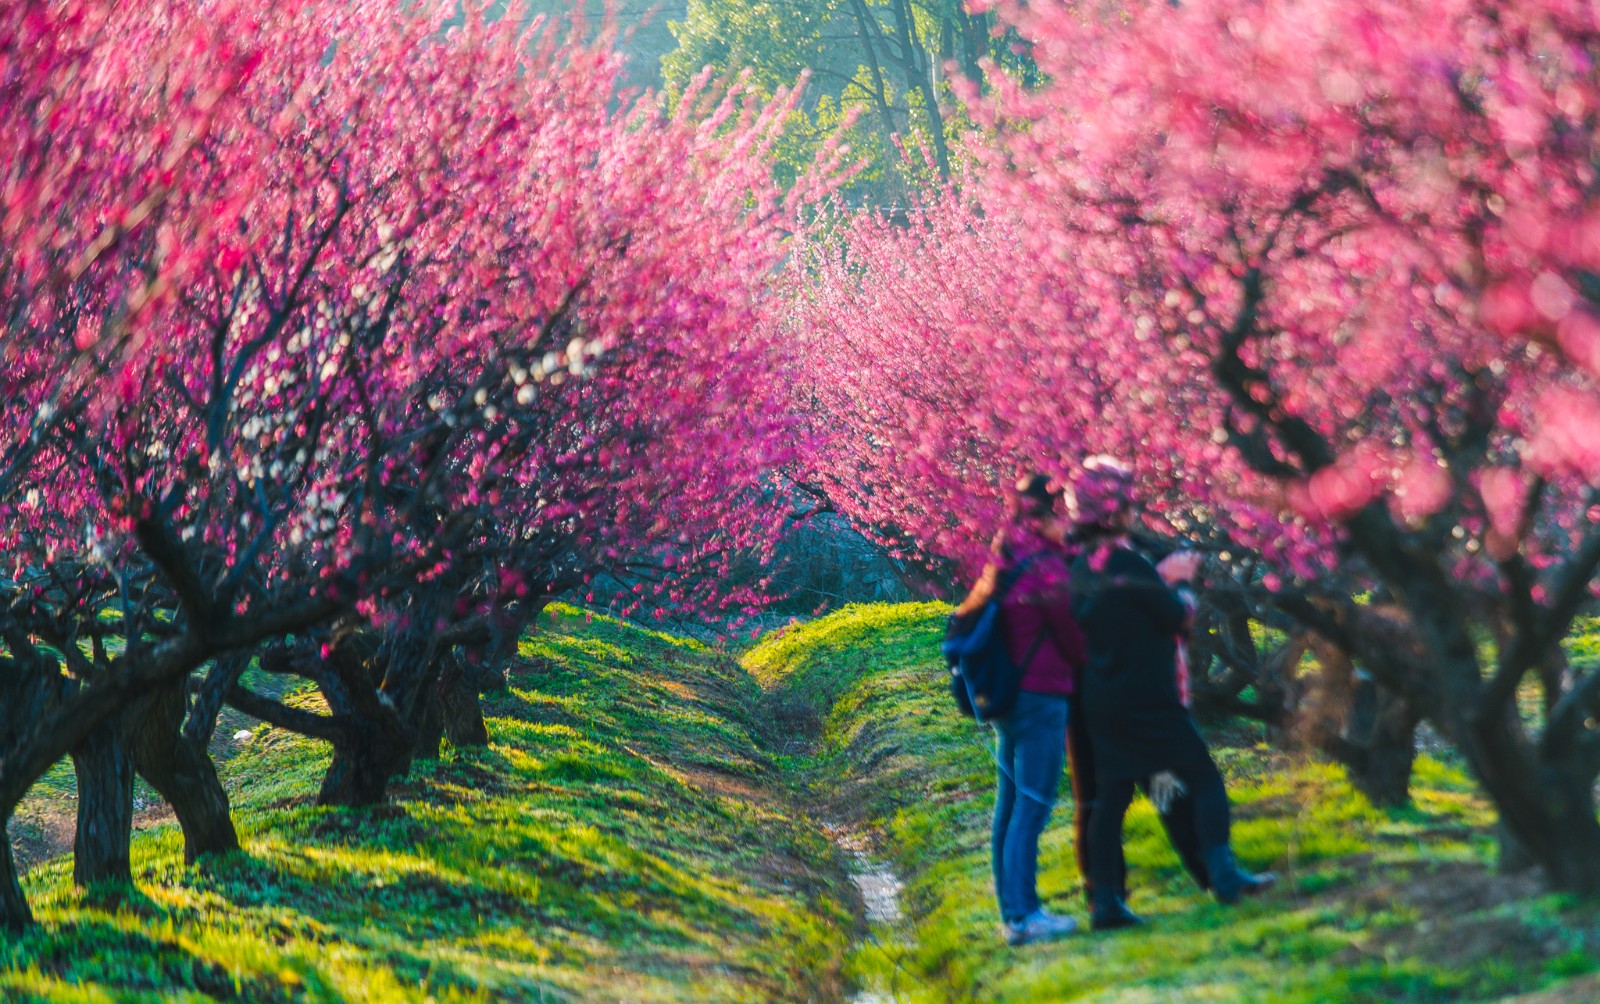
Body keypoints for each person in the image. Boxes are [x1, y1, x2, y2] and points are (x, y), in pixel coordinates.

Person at [1067, 457, 1274, 930]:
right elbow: (1176, 617)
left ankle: (1104, 904)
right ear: (1116, 511)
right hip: (1148, 694)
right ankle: (1223, 874)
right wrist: (1179, 580)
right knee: (1202, 778)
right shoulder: (1127, 562)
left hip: (1103, 697)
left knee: (1111, 801)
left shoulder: (1081, 567)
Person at [955, 473, 1087, 946]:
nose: (1071, 522)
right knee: (1032, 805)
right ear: (1050, 512)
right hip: (1042, 696)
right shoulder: (1047, 567)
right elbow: (1072, 636)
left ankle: (1012, 913)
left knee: (1009, 807)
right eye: (1065, 512)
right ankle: (1026, 916)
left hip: (1008, 700)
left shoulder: (1007, 552)